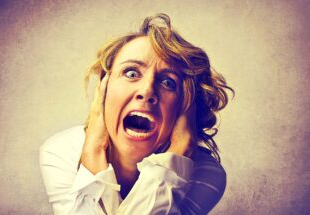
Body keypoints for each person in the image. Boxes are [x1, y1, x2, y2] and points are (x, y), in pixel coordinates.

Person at [40, 13, 234, 215]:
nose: (147, 91)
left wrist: (177, 158)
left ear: (186, 105)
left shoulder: (204, 175)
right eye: (131, 73)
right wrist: (92, 154)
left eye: (168, 82)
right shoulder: (60, 152)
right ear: (104, 90)